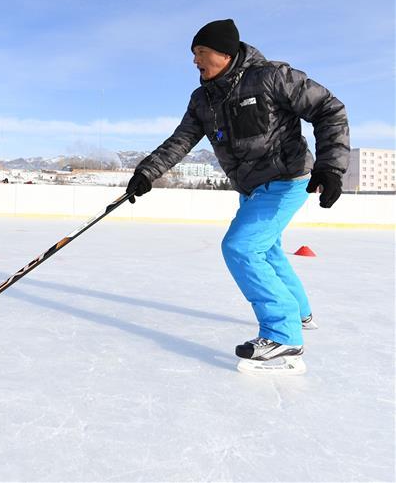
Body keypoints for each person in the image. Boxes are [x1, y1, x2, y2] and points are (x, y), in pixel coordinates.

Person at [125, 19, 349, 374]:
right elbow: (181, 140)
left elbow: (328, 109)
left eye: (201, 52)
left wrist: (331, 167)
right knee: (267, 250)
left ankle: (283, 335)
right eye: (193, 53)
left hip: (286, 179)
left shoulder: (271, 77)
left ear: (225, 53)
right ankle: (301, 313)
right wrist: (147, 172)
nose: (195, 60)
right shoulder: (203, 99)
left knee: (241, 248)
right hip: (251, 187)